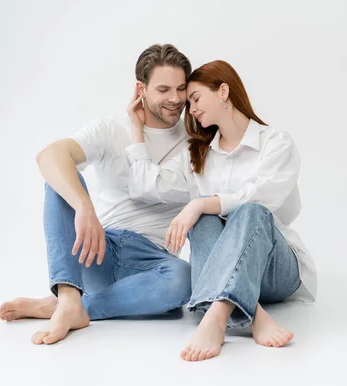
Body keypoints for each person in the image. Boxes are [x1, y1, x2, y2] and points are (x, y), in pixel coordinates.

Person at [0, 44, 194, 345]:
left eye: (181, 89)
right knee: (61, 177)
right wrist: (83, 206)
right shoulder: (110, 129)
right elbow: (49, 155)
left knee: (184, 277)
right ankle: (68, 295)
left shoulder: (195, 143)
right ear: (140, 89)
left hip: (155, 263)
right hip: (101, 247)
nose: (175, 99)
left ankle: (71, 306)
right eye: (164, 89)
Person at [126, 60, 317, 361]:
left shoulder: (275, 142)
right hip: (230, 273)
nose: (191, 109)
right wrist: (137, 129)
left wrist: (201, 202)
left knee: (249, 211)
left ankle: (215, 317)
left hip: (275, 269)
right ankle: (251, 313)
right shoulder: (198, 155)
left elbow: (259, 198)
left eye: (196, 98)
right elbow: (145, 186)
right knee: (202, 222)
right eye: (189, 104)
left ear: (224, 92)